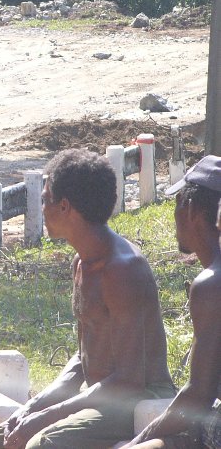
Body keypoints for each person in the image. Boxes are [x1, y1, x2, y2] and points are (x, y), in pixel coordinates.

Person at [0, 148, 175, 449]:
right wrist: (32, 407)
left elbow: (129, 380)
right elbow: (83, 358)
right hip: (100, 399)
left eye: (45, 200)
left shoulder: (123, 270)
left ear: (64, 206)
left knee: (43, 443)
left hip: (140, 398)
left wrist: (48, 416)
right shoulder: (81, 263)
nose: (42, 208)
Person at [122, 155, 221, 449]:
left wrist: (136, 441)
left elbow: (198, 397)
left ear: (189, 209)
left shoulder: (211, 284)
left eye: (176, 202)